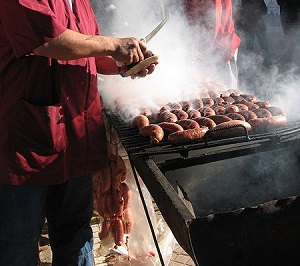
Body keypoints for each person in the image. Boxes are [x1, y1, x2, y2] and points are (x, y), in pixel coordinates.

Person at [0, 1, 157, 265]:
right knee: (18, 243)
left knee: (76, 237)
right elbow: (50, 41)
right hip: (27, 140)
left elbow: (89, 49)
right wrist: (114, 45)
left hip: (75, 137)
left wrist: (124, 63)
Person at [183, 0, 241, 90]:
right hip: (206, 48)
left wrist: (198, 50)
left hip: (222, 46)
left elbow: (215, 21)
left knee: (227, 92)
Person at [236, 0, 272, 67]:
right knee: (250, 47)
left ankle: (267, 63)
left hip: (258, 25)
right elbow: (239, 13)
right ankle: (249, 65)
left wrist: (259, 12)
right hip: (248, 26)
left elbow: (265, 10)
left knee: (264, 46)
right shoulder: (242, 2)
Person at [276, 0, 300, 72]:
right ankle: (290, 63)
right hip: (289, 20)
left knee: (294, 43)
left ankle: (291, 63)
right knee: (292, 43)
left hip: (294, 19)